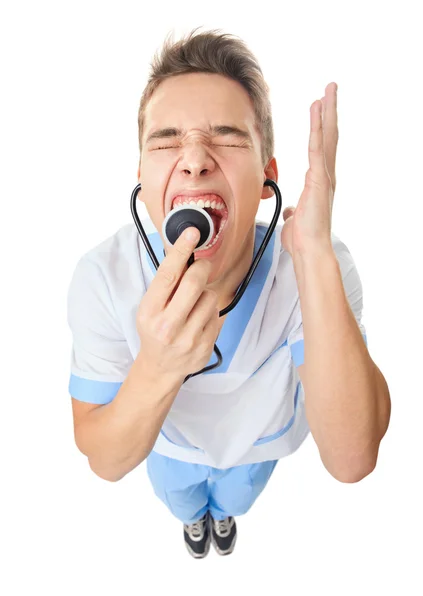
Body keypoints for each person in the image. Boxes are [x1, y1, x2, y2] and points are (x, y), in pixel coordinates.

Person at [67, 28, 391, 559]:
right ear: (143, 175)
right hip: (165, 442)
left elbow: (354, 458)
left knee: (237, 497)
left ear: (268, 177)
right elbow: (103, 458)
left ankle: (223, 519)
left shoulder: (316, 263)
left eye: (227, 136)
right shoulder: (103, 277)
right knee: (181, 500)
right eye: (166, 139)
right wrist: (158, 366)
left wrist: (313, 258)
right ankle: (195, 522)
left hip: (257, 445)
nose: (194, 159)